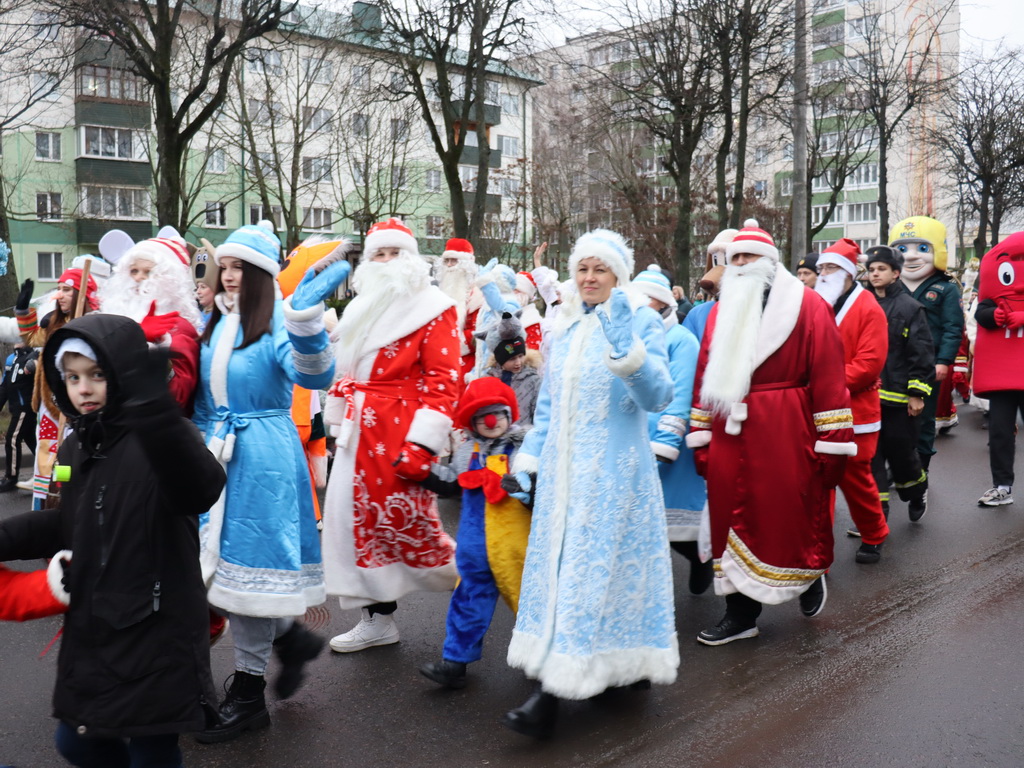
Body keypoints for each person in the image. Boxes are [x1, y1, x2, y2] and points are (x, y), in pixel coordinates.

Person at [0, 313, 226, 767]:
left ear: (122, 374)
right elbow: (72, 523)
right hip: (99, 621)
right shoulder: (77, 445)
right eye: (72, 377)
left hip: (158, 626)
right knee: (77, 741)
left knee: (152, 749)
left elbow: (200, 488)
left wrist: (157, 418)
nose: (82, 389)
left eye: (97, 375)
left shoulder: (164, 436)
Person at [500, 229, 677, 739]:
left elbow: (659, 395)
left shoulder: (640, 319)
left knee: (588, 571)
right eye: (583, 268)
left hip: (615, 474)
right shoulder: (570, 328)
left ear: (618, 274)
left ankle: (550, 695)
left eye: (600, 269)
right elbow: (551, 405)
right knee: (580, 571)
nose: (590, 277)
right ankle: (619, 665)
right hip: (562, 475)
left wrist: (626, 345)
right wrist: (530, 459)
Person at [193, 221, 347, 744]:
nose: (230, 276)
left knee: (247, 575)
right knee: (219, 574)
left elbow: (316, 377)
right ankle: (290, 640)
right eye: (227, 267)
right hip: (217, 456)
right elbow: (203, 403)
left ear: (261, 274)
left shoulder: (278, 321)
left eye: (241, 268)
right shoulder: (215, 325)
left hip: (262, 461)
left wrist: (305, 321)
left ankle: (249, 693)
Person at [686, 221, 854, 646]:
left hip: (786, 425)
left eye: (749, 257)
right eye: (735, 258)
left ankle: (805, 575)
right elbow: (705, 373)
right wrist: (701, 433)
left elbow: (830, 376)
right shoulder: (722, 311)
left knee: (789, 512)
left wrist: (832, 439)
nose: (740, 265)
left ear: (769, 262)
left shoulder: (809, 306)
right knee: (728, 518)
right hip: (730, 427)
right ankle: (740, 614)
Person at [321, 218, 460, 653]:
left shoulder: (435, 307)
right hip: (358, 432)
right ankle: (378, 619)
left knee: (410, 527)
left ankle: (483, 581)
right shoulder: (364, 305)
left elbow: (444, 381)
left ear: (411, 258)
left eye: (394, 252)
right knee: (355, 526)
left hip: (398, 431)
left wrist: (423, 444)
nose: (385, 261)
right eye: (378, 253)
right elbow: (346, 371)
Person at [418, 378, 531, 689]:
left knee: (529, 602)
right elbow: (453, 482)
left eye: (497, 413)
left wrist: (526, 487)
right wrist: (423, 471)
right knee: (467, 599)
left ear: (510, 413)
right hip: (474, 546)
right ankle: (455, 661)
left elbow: (543, 485)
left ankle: (541, 660)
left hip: (516, 547)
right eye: (482, 416)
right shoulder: (467, 447)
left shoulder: (525, 446)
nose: (491, 421)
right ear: (471, 421)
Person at [633, 265, 711, 593]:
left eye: (644, 302)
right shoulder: (627, 340)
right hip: (632, 442)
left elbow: (681, 393)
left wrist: (665, 440)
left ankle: (700, 559)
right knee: (639, 525)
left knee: (673, 525)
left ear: (663, 305)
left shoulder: (681, 340)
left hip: (669, 450)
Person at [813, 240, 891, 562]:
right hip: (818, 410)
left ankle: (874, 532)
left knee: (854, 478)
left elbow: (869, 364)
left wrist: (821, 383)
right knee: (819, 480)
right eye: (820, 269)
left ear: (847, 272)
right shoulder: (816, 305)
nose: (822, 274)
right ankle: (818, 552)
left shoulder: (868, 307)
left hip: (856, 411)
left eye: (829, 268)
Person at [18, 268, 99, 510]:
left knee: (67, 460)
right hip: (48, 407)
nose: (59, 295)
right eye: (59, 289)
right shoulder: (55, 322)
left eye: (66, 290)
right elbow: (32, 339)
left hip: (74, 409)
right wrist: (23, 310)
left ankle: (68, 507)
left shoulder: (92, 323)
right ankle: (46, 508)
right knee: (46, 458)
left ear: (81, 294)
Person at [864, 247, 934, 523]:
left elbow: (921, 352)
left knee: (902, 456)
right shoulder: (863, 304)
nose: (875, 274)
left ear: (895, 273)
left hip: (899, 399)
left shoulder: (910, 307)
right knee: (871, 458)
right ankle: (876, 517)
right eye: (871, 269)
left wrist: (917, 394)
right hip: (868, 398)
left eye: (881, 269)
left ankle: (917, 492)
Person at [97, 234, 202, 414]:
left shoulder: (178, 327)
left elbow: (178, 398)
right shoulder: (113, 321)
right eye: (134, 271)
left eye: (148, 272)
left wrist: (148, 349)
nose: (138, 278)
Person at [890, 216, 964, 468]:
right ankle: (900, 467)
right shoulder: (892, 287)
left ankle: (920, 468)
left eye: (922, 248)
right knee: (895, 417)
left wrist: (944, 361)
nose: (910, 256)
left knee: (923, 418)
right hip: (894, 365)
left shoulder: (946, 288)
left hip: (927, 365)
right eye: (902, 249)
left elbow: (953, 328)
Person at [973, 231, 1024, 507]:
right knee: (1000, 432)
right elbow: (980, 311)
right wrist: (993, 316)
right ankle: (1002, 486)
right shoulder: (994, 296)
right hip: (1004, 378)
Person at [481, 312, 542, 426]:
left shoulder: (533, 381)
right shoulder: (489, 380)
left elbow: (540, 415)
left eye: (520, 356)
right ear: (500, 360)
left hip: (523, 439)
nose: (518, 362)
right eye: (512, 359)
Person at [434, 237, 480, 384]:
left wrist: (452, 343)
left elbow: (479, 332)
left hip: (465, 365)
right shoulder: (437, 295)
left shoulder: (477, 296)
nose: (449, 266)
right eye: (446, 261)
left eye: (454, 261)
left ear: (465, 265)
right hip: (438, 362)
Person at [0, 344, 38, 492]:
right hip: (16, 407)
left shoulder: (34, 355)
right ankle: (48, 470)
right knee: (34, 441)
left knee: (12, 439)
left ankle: (11, 478)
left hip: (26, 409)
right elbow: (4, 385)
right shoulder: (11, 358)